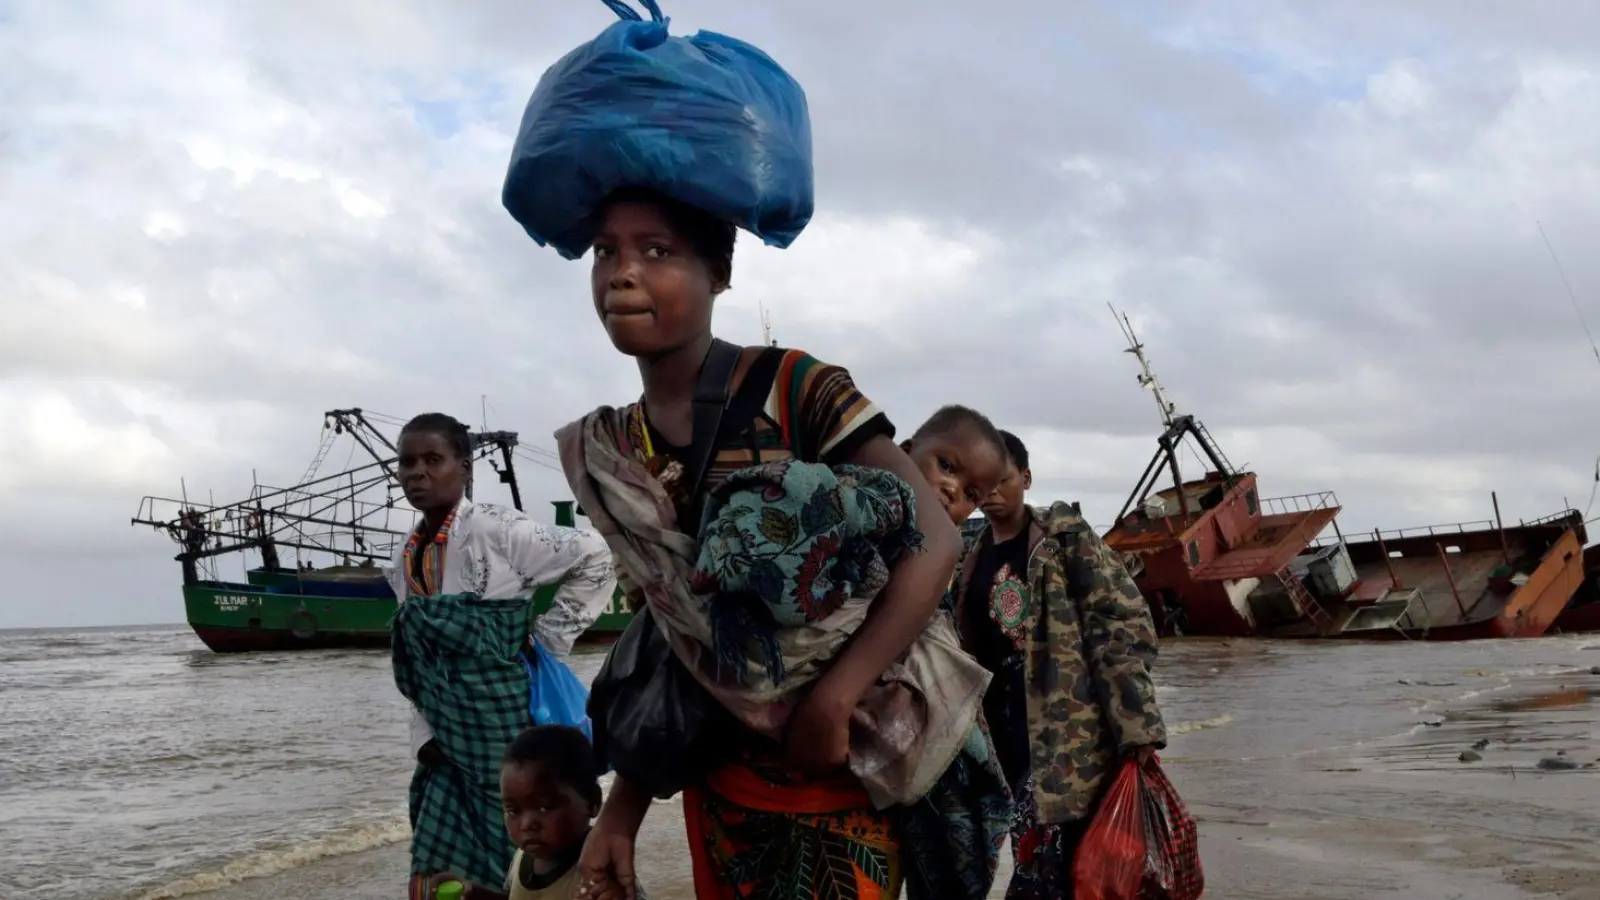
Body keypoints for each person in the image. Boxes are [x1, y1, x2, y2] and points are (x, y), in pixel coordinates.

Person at [557, 187, 999, 900]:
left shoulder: (792, 386)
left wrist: (835, 696)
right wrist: (621, 811)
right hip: (723, 794)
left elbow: (935, 541)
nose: (622, 273)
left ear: (719, 272)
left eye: (657, 250)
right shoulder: (618, 444)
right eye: (607, 251)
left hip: (843, 777)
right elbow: (676, 635)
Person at [389, 412, 618, 899]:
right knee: (438, 865)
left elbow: (597, 555)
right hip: (446, 737)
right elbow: (418, 665)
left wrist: (549, 640)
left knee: (518, 835)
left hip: (503, 719)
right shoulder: (402, 557)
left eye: (433, 459)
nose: (417, 473)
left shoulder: (498, 530)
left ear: (465, 467)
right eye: (407, 462)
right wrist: (423, 737)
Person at [954, 430, 1168, 899]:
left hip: (1068, 734)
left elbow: (1121, 625)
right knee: (1051, 862)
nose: (989, 494)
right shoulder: (969, 558)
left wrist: (1138, 728)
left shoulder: (1063, 540)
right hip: (1002, 736)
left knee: (1047, 864)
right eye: (980, 485)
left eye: (1001, 480)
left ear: (1026, 478)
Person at [424, 726, 647, 900]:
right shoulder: (523, 858)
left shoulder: (601, 870)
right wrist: (474, 893)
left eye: (545, 807)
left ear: (592, 801)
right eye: (513, 810)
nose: (527, 824)